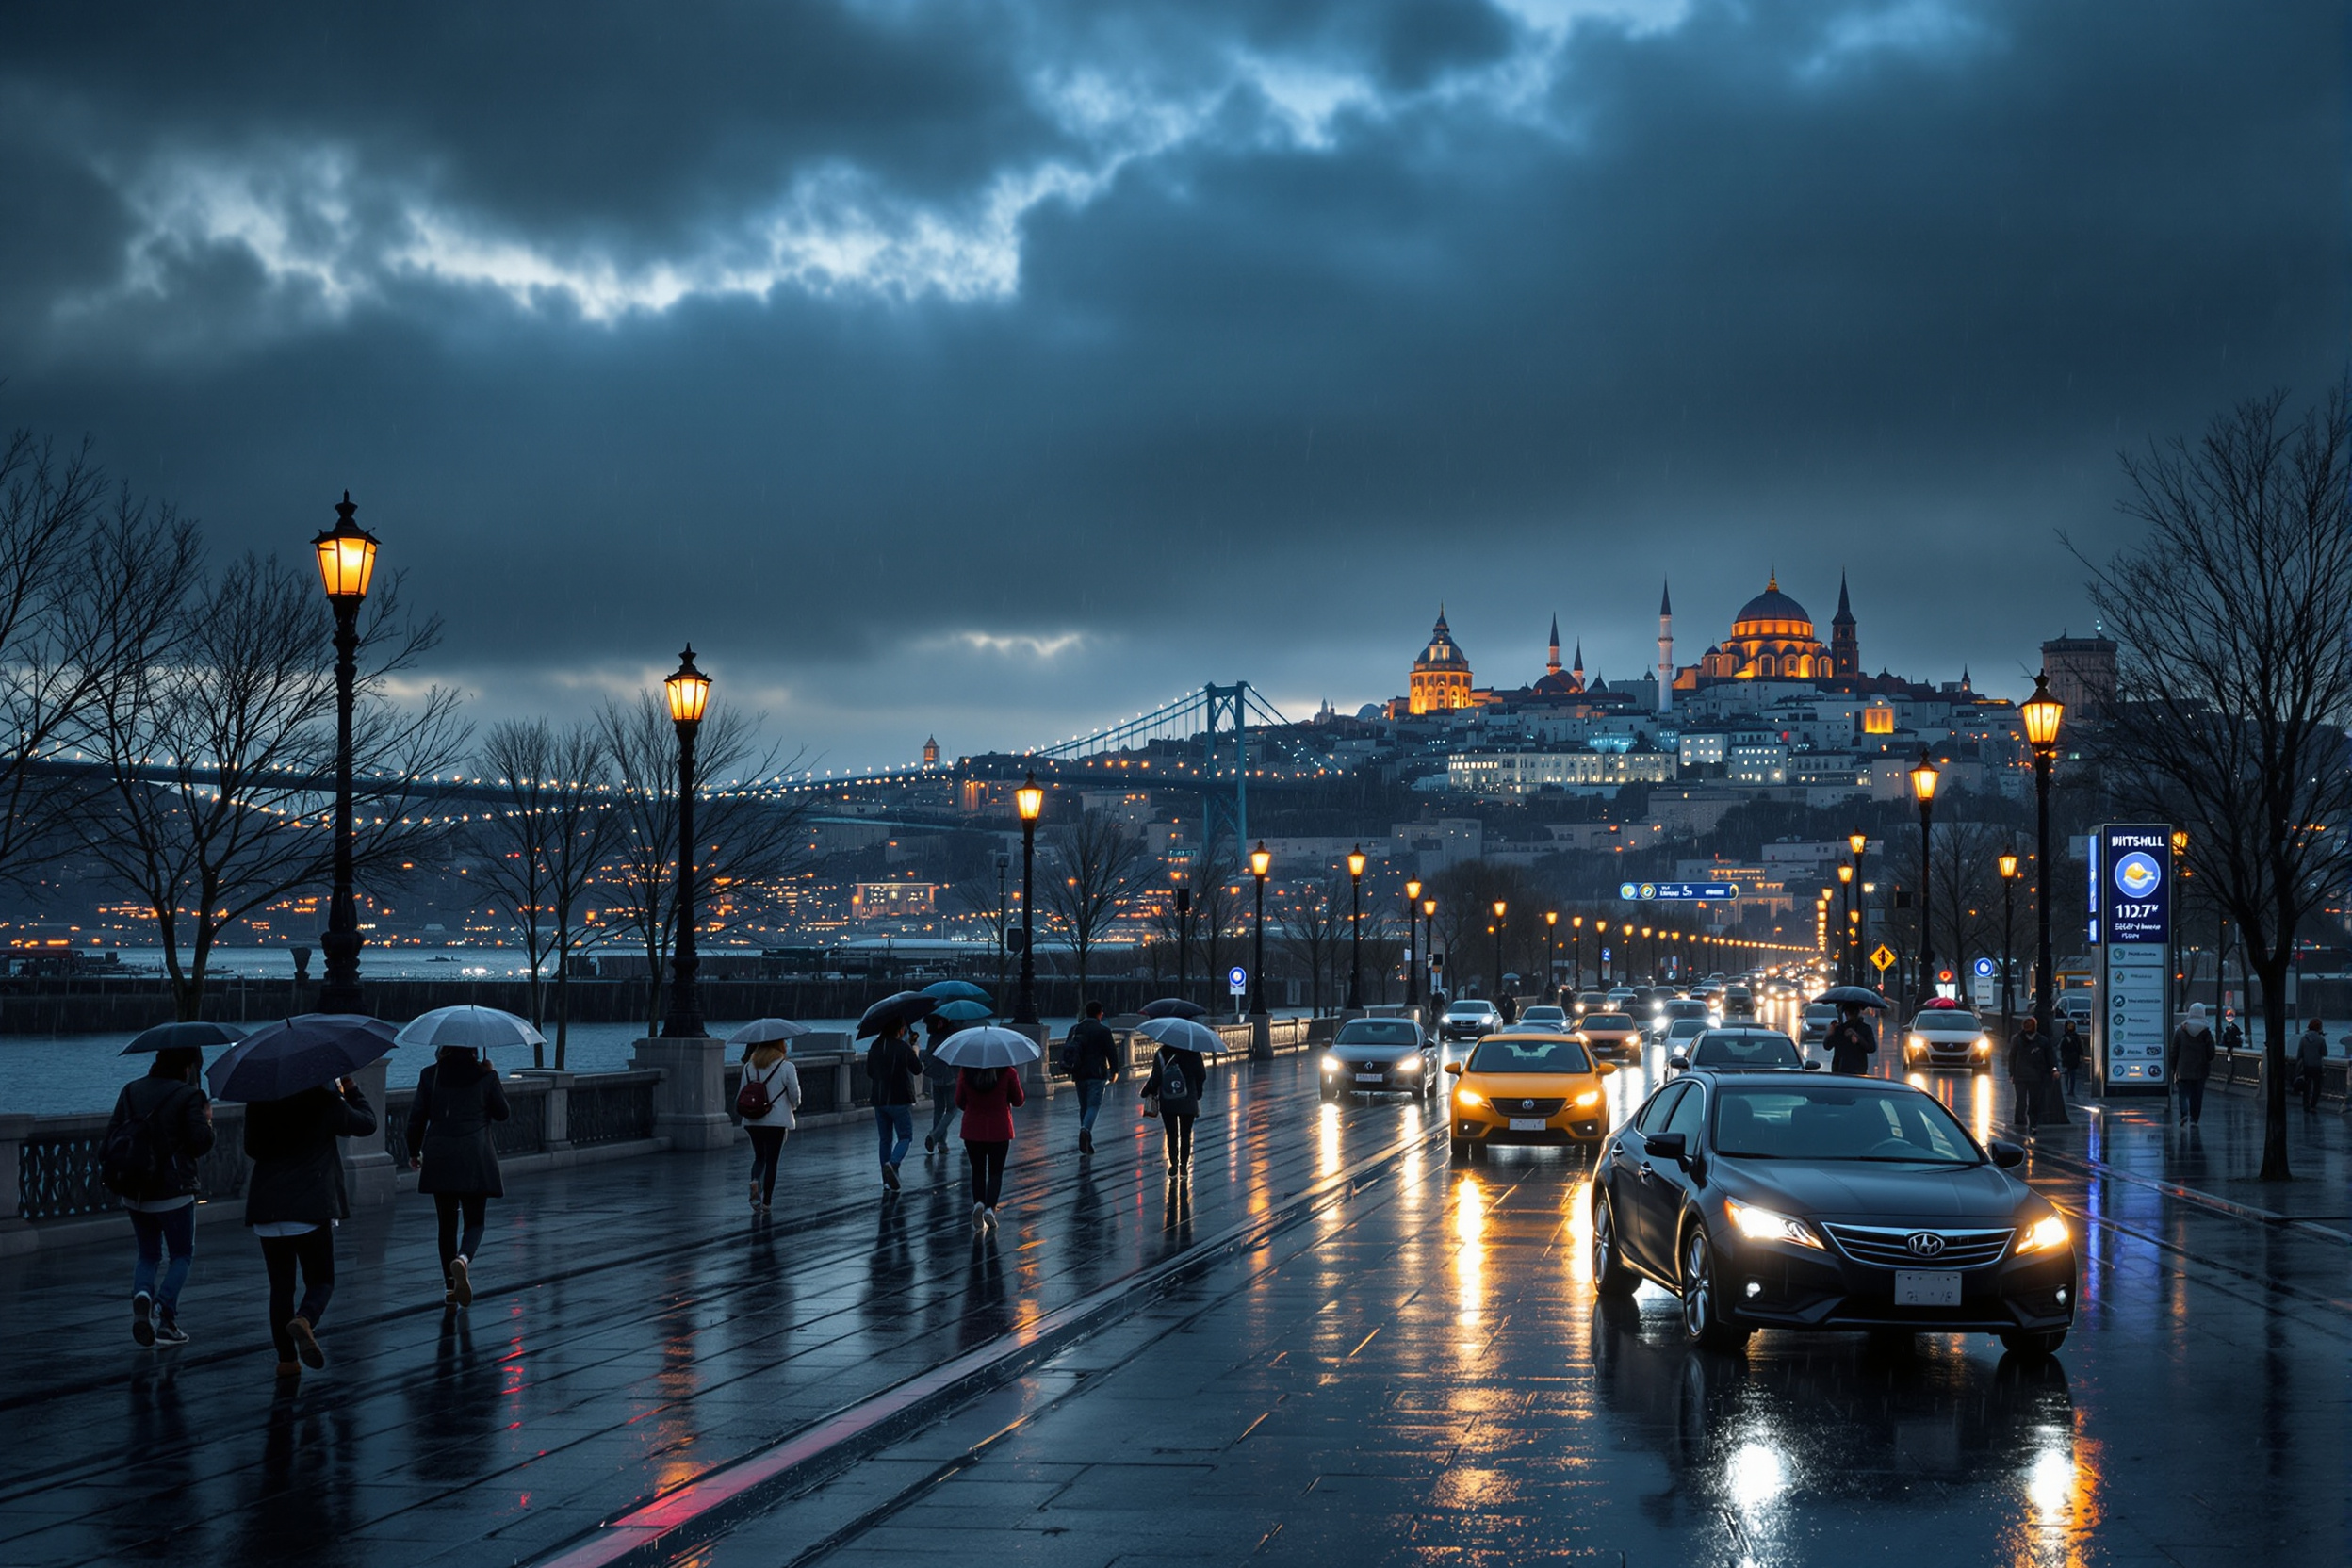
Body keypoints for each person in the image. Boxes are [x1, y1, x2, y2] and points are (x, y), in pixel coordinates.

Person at [244, 1074, 376, 1379]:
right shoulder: (324, 1101)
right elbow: (367, 1123)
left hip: (267, 1207)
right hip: (310, 1205)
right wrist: (351, 1089)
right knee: (321, 1281)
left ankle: (287, 1362)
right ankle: (305, 1319)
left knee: (280, 1288)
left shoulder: (260, 1101)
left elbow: (251, 1147)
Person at [105, 1045, 215, 1348]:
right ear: (187, 1067)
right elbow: (199, 1144)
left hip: (135, 1188)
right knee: (181, 1255)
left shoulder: (131, 1091)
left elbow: (112, 1134)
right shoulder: (188, 1096)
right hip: (173, 1191)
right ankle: (164, 1314)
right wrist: (207, 1119)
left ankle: (142, 1295)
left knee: (148, 1254)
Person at [406, 1045, 510, 1307]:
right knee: (475, 1222)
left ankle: (450, 1289)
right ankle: (463, 1259)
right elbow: (503, 1113)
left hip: (441, 1157)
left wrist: (413, 1150)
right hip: (475, 1157)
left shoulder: (431, 1075)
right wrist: (491, 1075)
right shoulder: (484, 1076)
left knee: (447, 1225)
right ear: (473, 1049)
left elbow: (416, 1118)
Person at [955, 1060, 1025, 1231]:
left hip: (972, 1129)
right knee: (995, 1173)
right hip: (999, 1130)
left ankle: (978, 1203)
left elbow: (959, 1101)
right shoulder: (1008, 1072)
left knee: (977, 1171)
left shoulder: (966, 1071)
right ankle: (990, 1209)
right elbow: (1019, 1100)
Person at [739, 1036, 802, 1210]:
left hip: (753, 1120)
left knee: (759, 1157)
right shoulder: (786, 1066)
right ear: (780, 1045)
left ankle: (754, 1181)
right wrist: (794, 1106)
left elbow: (741, 1094)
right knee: (772, 1161)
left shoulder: (749, 1067)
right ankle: (767, 1202)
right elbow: (794, 1096)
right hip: (776, 1122)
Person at [866, 1020, 922, 1194]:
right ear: (899, 1030)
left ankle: (886, 1181)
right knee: (905, 1137)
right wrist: (915, 1051)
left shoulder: (875, 1046)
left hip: (880, 1100)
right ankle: (893, 1163)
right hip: (899, 1099)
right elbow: (917, 1069)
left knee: (885, 1139)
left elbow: (869, 1072)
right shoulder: (902, 1048)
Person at [1145, 1035, 1210, 1175]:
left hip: (1168, 1099)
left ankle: (1173, 1163)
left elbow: (1156, 1078)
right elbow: (1202, 1075)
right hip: (1188, 1099)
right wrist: (1197, 1092)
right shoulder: (1193, 1054)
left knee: (1172, 1133)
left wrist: (1148, 1091)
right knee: (1186, 1134)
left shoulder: (1161, 1054)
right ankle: (1183, 1166)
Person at [1063, 1002, 1121, 1155]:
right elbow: (1111, 1053)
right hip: (1097, 1074)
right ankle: (1085, 1130)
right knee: (1093, 1105)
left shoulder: (1075, 1029)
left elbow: (1068, 1049)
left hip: (1079, 1073)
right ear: (1100, 1014)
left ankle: (1087, 1139)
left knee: (1084, 1106)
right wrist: (1114, 1070)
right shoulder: (1103, 1031)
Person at [2166, 1004, 2216, 1128]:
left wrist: (2174, 1068)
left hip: (2183, 1069)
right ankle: (2194, 1118)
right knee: (2197, 1096)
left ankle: (2184, 1114)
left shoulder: (2180, 1031)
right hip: (2200, 1070)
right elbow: (2211, 1053)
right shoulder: (2206, 1032)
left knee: (2183, 1094)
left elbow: (2174, 1051)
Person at [920, 1018, 961, 1156]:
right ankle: (936, 1136)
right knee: (952, 1109)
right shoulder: (953, 1034)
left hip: (935, 1076)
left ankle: (942, 1143)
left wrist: (917, 1051)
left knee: (938, 1110)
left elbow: (928, 1055)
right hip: (950, 1076)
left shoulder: (933, 1036)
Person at [2008, 1016, 2054, 1134]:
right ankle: (2030, 1121)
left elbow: (2012, 1057)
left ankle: (2021, 1121)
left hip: (2023, 1075)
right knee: (2030, 1100)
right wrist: (2053, 1070)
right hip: (2033, 1076)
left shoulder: (2017, 1039)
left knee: (2024, 1100)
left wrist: (2012, 1073)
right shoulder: (2042, 1040)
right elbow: (2050, 1058)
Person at [1825, 1004, 1876, 1076]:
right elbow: (1872, 1048)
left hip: (1841, 1070)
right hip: (1858, 1070)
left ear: (1846, 1013)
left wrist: (1830, 1033)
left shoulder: (1839, 1029)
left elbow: (1827, 1046)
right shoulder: (1866, 1028)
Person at [2294, 1019, 2328, 1114]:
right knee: (2317, 1087)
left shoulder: (2304, 1039)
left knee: (2306, 1088)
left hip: (2306, 1066)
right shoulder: (2320, 1039)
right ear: (2319, 1028)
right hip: (2317, 1066)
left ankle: (2305, 1105)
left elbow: (2299, 1053)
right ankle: (2313, 1106)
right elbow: (2325, 1053)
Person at [2058, 1020, 2086, 1098]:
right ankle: (2070, 1090)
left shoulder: (2065, 1037)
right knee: (2071, 1074)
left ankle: (2069, 1090)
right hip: (2073, 1057)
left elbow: (2060, 1047)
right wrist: (2081, 1056)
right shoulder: (2076, 1037)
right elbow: (2080, 1048)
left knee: (2068, 1074)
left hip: (2068, 1057)